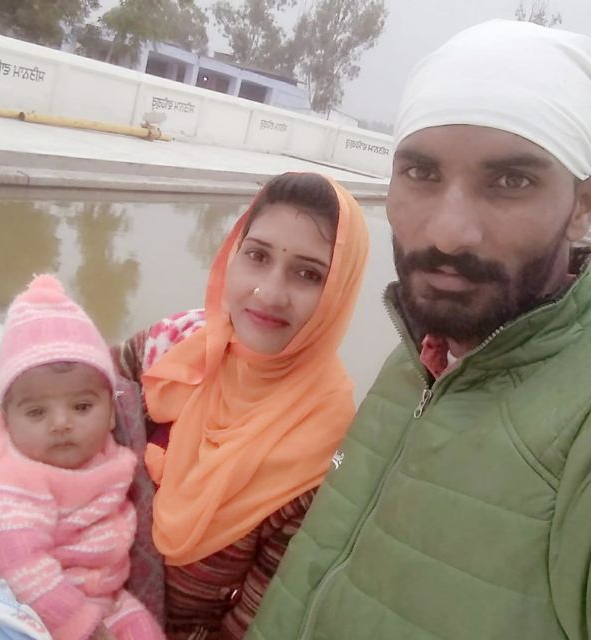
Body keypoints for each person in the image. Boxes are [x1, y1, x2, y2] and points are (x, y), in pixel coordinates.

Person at [246, 19, 591, 640]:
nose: (447, 233)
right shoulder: (420, 354)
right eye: (422, 174)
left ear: (583, 207)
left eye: (511, 181)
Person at [112, 172, 369, 639]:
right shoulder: (176, 343)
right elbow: (68, 394)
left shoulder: (325, 454)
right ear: (233, 253)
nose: (269, 293)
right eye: (258, 255)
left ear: (339, 292)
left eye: (308, 274)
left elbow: (252, 622)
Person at [0, 274, 166, 640]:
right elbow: (21, 567)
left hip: (108, 595)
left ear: (111, 413)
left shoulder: (109, 450)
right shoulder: (15, 481)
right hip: (43, 607)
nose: (61, 423)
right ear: (7, 419)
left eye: (81, 406)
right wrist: (83, 626)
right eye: (37, 412)